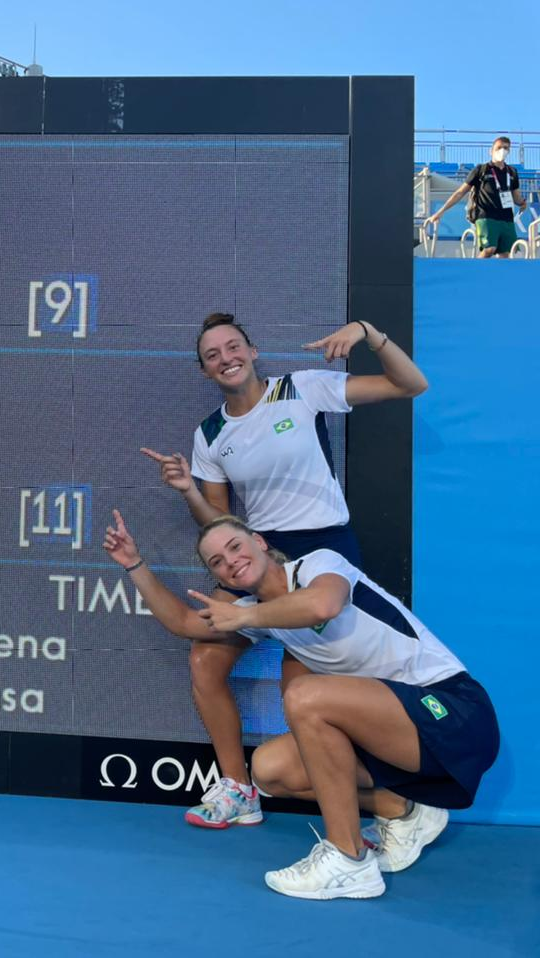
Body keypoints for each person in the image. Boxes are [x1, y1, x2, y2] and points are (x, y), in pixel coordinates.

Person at [103, 511, 499, 900]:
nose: (230, 562)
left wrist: (245, 617)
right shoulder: (259, 615)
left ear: (260, 542)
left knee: (305, 694)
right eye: (217, 562)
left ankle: (349, 860)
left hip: (453, 712)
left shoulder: (319, 565)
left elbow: (322, 606)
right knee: (269, 770)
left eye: (235, 546)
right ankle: (404, 811)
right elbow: (186, 624)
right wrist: (134, 564)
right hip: (396, 736)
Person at [140, 311, 428, 829]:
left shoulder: (303, 388)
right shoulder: (209, 434)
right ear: (206, 372)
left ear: (251, 352)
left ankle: (387, 801)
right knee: (206, 660)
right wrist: (188, 490)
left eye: (233, 347)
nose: (225, 358)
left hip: (324, 551)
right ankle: (237, 788)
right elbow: (218, 523)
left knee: (303, 694)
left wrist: (369, 333)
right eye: (212, 355)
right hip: (257, 557)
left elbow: (410, 384)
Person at [424, 136, 528, 258]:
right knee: (489, 248)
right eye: (499, 147)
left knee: (505, 253)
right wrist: (440, 212)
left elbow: (516, 196)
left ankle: (499, 277)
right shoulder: (481, 170)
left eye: (506, 148)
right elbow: (460, 192)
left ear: (509, 151)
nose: (502, 150)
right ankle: (477, 270)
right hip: (486, 216)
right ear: (491, 150)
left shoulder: (512, 172)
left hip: (506, 218)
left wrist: (522, 202)